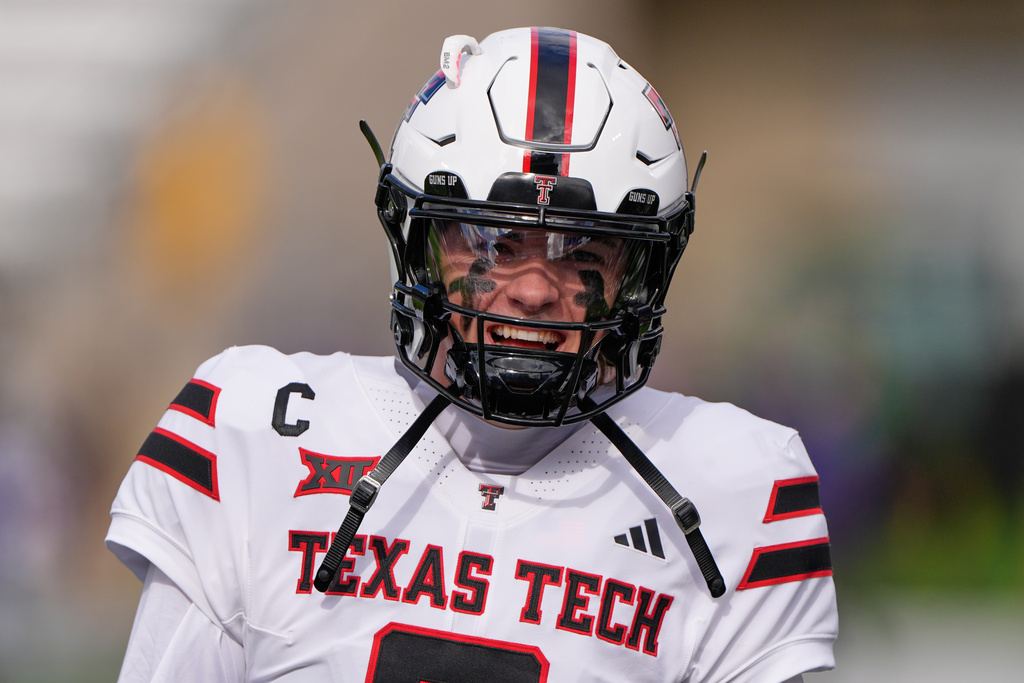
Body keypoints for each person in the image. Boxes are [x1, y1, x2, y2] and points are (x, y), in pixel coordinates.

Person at [107, 27, 837, 682]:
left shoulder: (734, 487)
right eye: (493, 242)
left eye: (580, 249)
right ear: (421, 245)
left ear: (638, 273)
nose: (531, 289)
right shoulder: (254, 433)